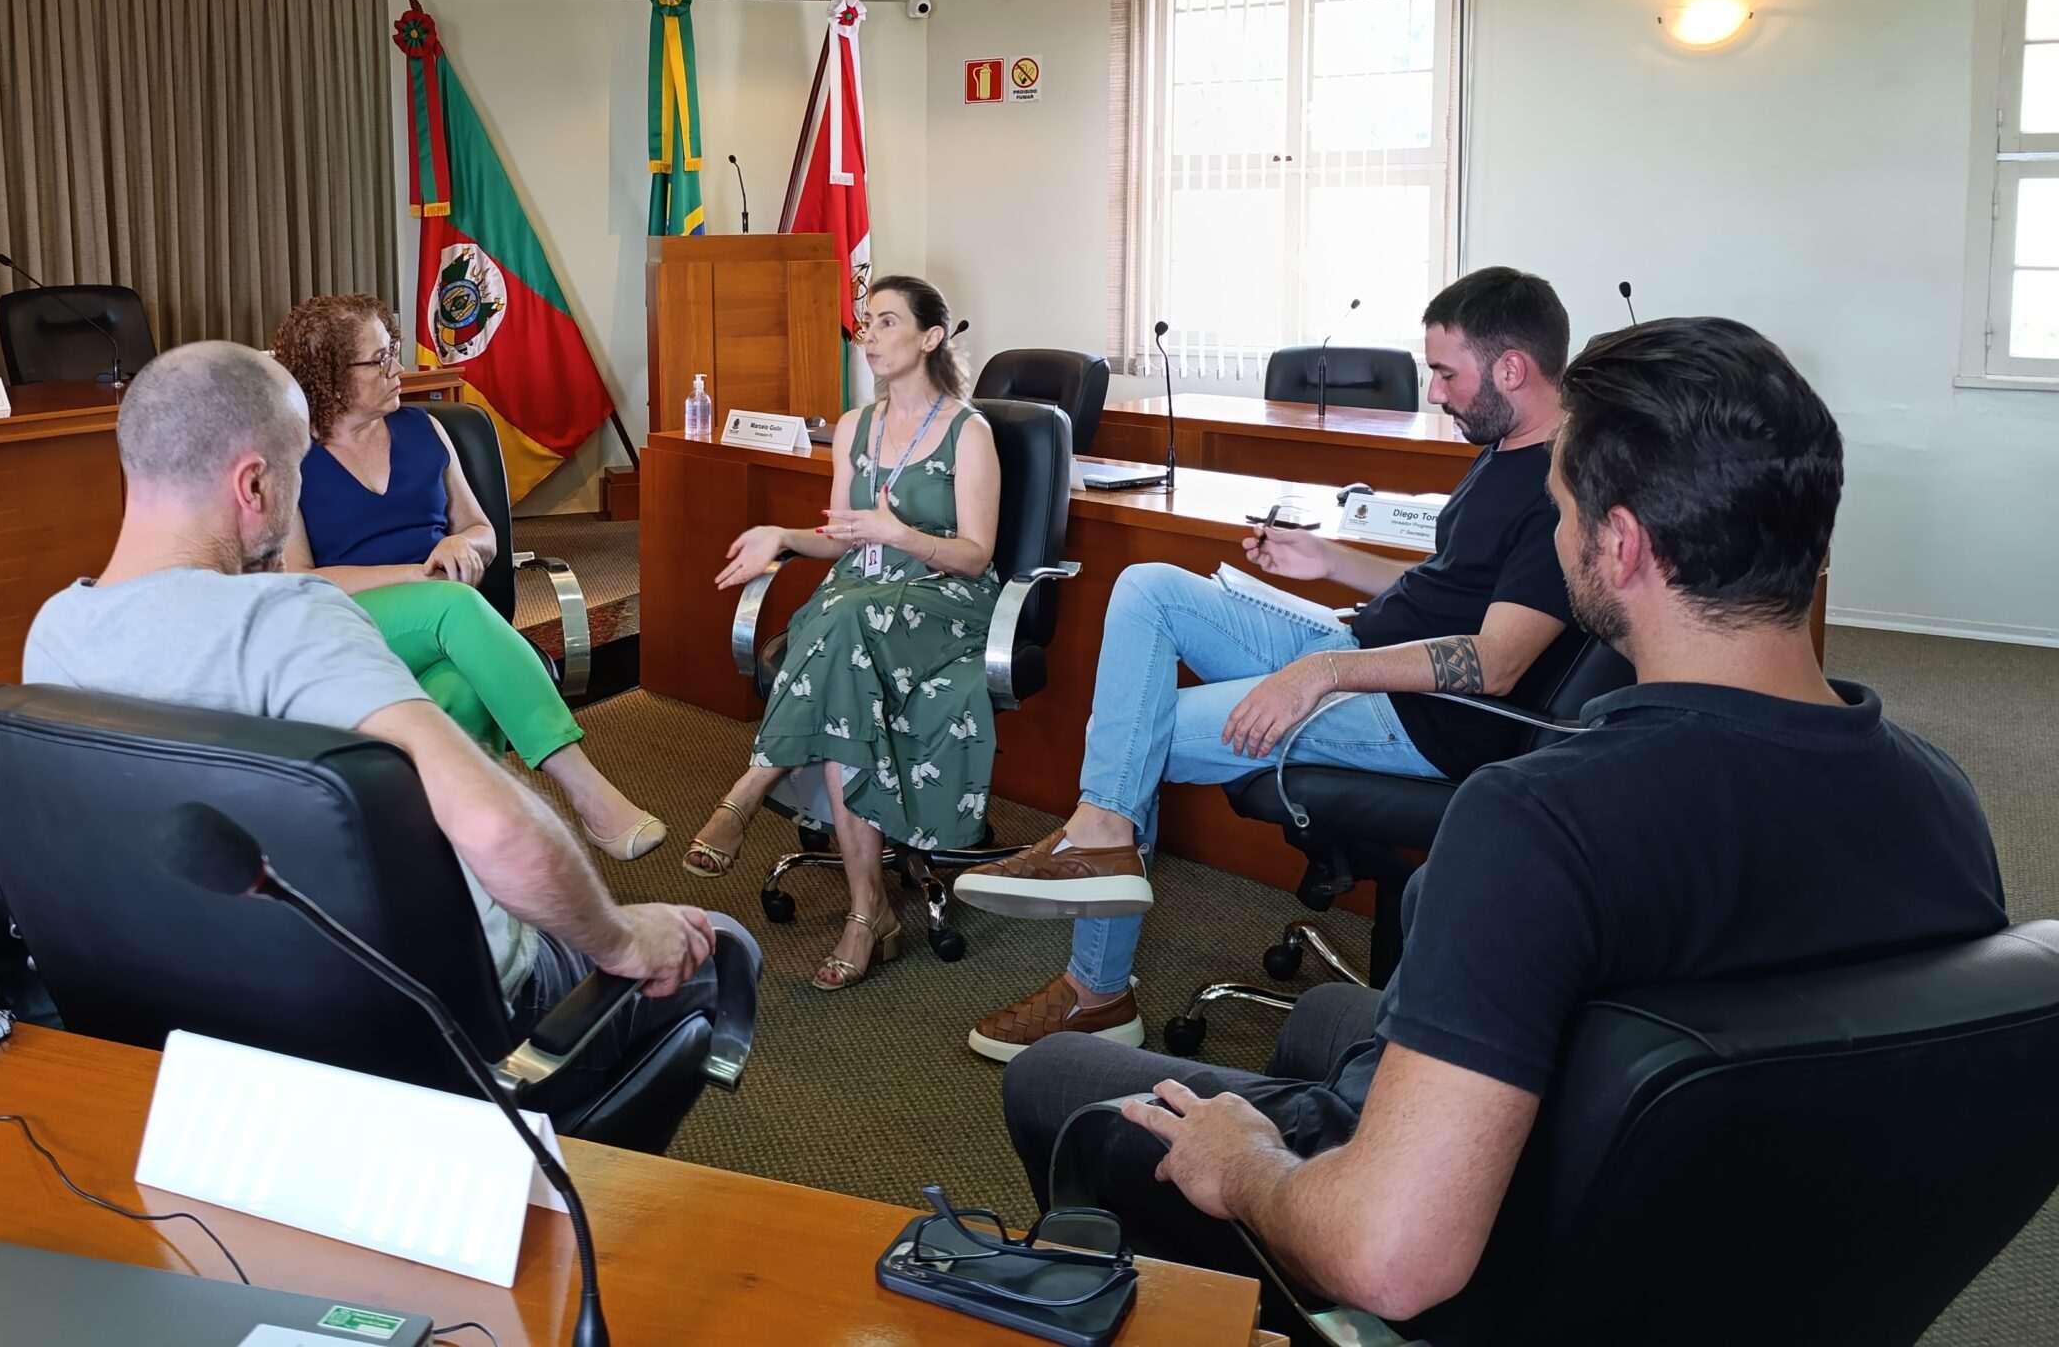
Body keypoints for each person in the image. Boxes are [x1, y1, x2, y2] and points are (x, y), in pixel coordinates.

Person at [1000, 317, 2006, 1334]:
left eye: (1562, 510)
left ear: (1620, 545)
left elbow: (1390, 1259)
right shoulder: (1943, 797)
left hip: (1526, 1275)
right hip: (1743, 1249)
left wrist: (1246, 1161)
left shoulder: (1533, 823)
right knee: (1318, 1023)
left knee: (1056, 1081)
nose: (1555, 532)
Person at [22, 340, 730, 1114]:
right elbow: (496, 832)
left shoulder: (54, 635)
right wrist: (623, 940)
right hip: (419, 1014)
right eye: (293, 471)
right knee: (720, 952)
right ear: (254, 483)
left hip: (197, 1015)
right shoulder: (290, 622)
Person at [953, 267, 1587, 1062]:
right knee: (1149, 586)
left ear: (1512, 369)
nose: (1436, 393)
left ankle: (1095, 989)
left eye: (1446, 373)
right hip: (1361, 647)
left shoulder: (1563, 486)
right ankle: (1103, 833)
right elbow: (1447, 589)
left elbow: (1495, 662)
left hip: (1421, 717)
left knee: (1135, 732)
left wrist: (1320, 674)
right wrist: (1327, 558)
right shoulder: (1504, 446)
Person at [684, 275, 1001, 992]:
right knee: (846, 653)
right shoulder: (855, 427)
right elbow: (838, 538)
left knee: (841, 621)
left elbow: (977, 553)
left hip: (942, 597)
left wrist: (902, 534)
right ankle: (868, 913)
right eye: (865, 321)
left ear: (930, 337)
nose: (869, 333)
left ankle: (753, 783)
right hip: (860, 602)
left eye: (887, 321)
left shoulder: (968, 431)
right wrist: (780, 533)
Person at [271, 293, 661, 861]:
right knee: (452, 604)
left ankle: (453, 857)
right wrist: (416, 573)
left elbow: (484, 532)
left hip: (443, 627)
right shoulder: (289, 457)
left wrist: (461, 542)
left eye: (393, 352)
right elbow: (301, 580)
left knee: (457, 694)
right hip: (346, 628)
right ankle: (585, 791)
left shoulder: (425, 429)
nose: (395, 369)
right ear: (328, 374)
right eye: (377, 360)